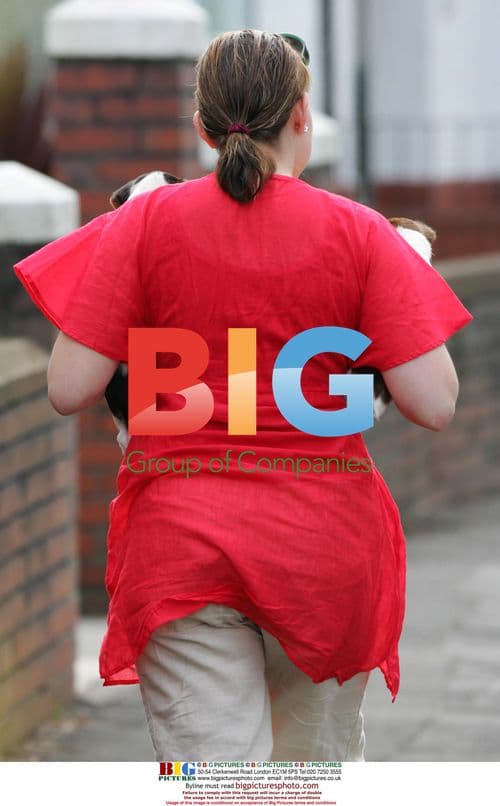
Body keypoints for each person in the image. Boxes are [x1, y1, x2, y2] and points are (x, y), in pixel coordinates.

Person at [12, 29, 473, 762]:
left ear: (200, 125)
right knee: (309, 781)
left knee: (217, 782)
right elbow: (435, 402)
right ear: (301, 117)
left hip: (182, 549)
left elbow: (69, 388)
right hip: (324, 549)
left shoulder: (144, 221)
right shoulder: (361, 234)